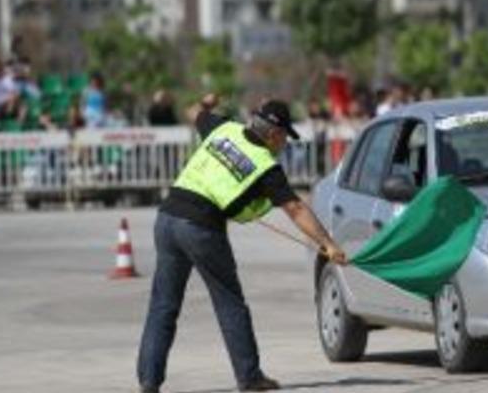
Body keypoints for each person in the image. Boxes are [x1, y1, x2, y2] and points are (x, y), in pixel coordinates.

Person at [136, 95, 347, 393]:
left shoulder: (224, 128)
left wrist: (206, 102)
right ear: (274, 134)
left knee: (163, 305)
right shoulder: (265, 166)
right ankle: (249, 377)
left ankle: (149, 381)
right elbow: (296, 209)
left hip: (167, 218)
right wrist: (328, 244)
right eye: (285, 136)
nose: (285, 143)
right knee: (229, 303)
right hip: (201, 228)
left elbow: (193, 111)